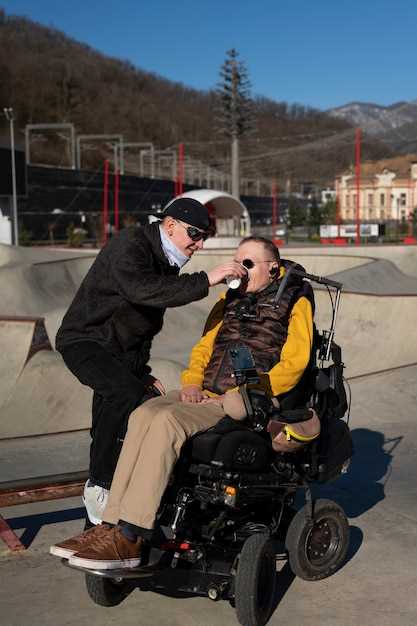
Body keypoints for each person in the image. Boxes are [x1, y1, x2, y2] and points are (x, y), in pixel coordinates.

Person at [50, 236, 314, 568]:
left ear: (272, 269)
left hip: (247, 395)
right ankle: (109, 523)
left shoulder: (296, 301)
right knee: (144, 411)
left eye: (247, 264)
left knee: (165, 422)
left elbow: (295, 362)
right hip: (206, 392)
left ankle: (131, 535)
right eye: (237, 262)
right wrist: (190, 383)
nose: (239, 270)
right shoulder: (228, 299)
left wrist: (252, 387)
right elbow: (204, 348)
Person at [54, 197, 247, 525]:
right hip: (85, 341)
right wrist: (207, 278)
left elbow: (143, 326)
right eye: (194, 234)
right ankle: (99, 486)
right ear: (169, 225)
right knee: (127, 397)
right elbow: (142, 290)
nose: (198, 245)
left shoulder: (166, 260)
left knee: (138, 405)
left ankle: (103, 516)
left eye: (204, 238)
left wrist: (142, 371)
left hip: (122, 352)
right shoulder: (131, 245)